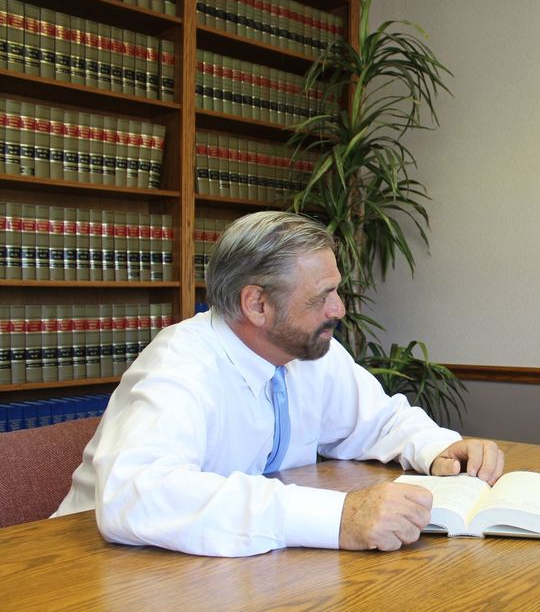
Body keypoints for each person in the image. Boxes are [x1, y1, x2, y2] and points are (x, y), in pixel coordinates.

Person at [55, 211, 504, 556]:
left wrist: (437, 447)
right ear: (257, 304)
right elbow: (138, 495)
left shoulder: (307, 350)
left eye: (336, 290)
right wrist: (338, 518)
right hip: (86, 570)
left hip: (231, 565)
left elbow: (379, 421)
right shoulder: (180, 363)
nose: (340, 309)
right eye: (321, 296)